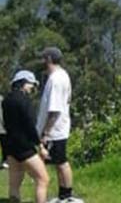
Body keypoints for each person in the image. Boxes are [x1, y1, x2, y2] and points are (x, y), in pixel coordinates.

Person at [2, 70, 50, 203]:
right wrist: (40, 146)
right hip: (25, 147)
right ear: (23, 83)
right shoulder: (24, 101)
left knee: (14, 184)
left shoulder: (6, 100)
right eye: (31, 84)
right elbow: (30, 126)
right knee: (43, 179)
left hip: (10, 146)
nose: (32, 88)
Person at [36, 48, 76, 203]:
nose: (42, 62)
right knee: (59, 163)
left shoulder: (56, 79)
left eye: (43, 58)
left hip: (55, 130)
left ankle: (67, 195)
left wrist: (46, 132)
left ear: (49, 59)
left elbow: (54, 109)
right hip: (58, 128)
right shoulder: (60, 76)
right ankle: (63, 194)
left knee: (61, 162)